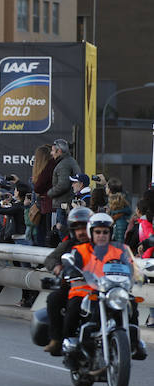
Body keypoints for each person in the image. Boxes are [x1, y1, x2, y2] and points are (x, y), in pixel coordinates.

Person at [61, 213, 147, 366]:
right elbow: (71, 265)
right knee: (74, 306)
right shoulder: (80, 250)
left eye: (105, 232)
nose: (101, 235)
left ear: (110, 233)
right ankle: (70, 348)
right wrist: (71, 271)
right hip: (89, 290)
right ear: (91, 233)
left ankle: (134, 342)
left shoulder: (119, 251)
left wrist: (138, 273)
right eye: (98, 232)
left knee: (131, 303)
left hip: (113, 290)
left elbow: (130, 265)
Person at [41, 207, 92, 355]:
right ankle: (57, 339)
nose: (82, 232)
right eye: (78, 229)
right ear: (72, 230)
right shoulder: (67, 245)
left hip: (97, 287)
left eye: (85, 228)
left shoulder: (100, 244)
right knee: (54, 299)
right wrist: (57, 267)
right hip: (73, 286)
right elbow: (50, 259)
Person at [47, 139, 80, 240]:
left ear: (59, 151)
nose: (51, 153)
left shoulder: (64, 164)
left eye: (53, 151)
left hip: (63, 204)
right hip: (66, 203)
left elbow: (63, 185)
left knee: (64, 236)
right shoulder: (69, 161)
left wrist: (50, 193)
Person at [31, 145, 55, 246]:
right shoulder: (51, 170)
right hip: (47, 208)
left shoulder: (43, 172)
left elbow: (37, 189)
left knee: (41, 237)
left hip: (44, 209)